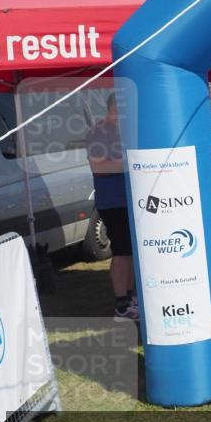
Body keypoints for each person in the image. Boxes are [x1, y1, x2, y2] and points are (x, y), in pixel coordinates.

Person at [85, 92, 137, 323]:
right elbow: (99, 168)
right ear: (114, 107)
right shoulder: (99, 132)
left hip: (129, 200)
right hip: (113, 202)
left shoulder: (124, 131)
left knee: (130, 251)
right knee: (122, 251)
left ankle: (131, 299)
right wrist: (131, 163)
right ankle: (122, 306)